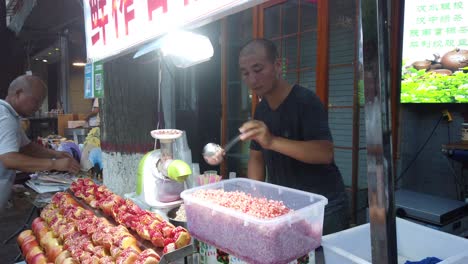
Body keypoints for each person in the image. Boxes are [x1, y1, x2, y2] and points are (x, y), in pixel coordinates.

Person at [238, 39, 348, 234]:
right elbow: (256, 158)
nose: (252, 80)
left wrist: (271, 141)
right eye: (245, 73)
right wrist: (254, 200)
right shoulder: (261, 110)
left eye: (258, 69)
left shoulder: (305, 101)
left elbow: (324, 153)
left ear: (278, 66)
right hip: (287, 207)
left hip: (324, 206)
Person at [0, 75, 81, 193]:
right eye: (36, 101)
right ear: (18, 93)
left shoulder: (11, 116)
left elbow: (27, 147)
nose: (38, 107)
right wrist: (55, 164)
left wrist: (56, 154)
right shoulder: (5, 117)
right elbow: (9, 159)